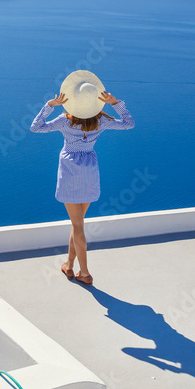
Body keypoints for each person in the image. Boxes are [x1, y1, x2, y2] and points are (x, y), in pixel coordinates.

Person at [30, 70, 134, 285]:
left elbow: (35, 127)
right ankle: (69, 266)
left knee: (78, 226)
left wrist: (50, 106)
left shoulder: (65, 121)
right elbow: (128, 123)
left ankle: (84, 272)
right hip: (89, 170)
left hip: (69, 170)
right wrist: (116, 103)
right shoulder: (101, 121)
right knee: (77, 224)